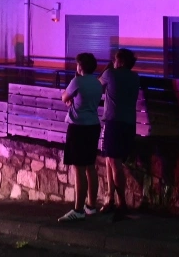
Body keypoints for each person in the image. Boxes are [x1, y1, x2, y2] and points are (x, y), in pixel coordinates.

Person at [57, 52, 104, 222]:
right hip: (93, 125)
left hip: (78, 127)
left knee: (79, 168)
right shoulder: (98, 83)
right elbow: (83, 101)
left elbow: (64, 97)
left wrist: (70, 97)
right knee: (90, 166)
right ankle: (91, 206)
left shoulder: (77, 81)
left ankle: (78, 209)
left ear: (80, 66)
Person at [100, 48, 140, 221]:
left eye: (115, 59)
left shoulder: (110, 74)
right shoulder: (135, 77)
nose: (113, 61)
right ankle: (110, 199)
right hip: (129, 123)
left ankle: (121, 203)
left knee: (114, 162)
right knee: (110, 160)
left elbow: (96, 86)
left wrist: (108, 69)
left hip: (114, 123)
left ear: (121, 61)